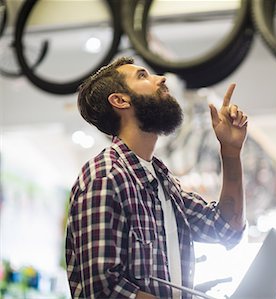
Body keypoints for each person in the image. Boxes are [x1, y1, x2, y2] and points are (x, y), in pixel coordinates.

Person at [65, 56, 248, 299]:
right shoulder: (104, 176)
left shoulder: (162, 181)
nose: (160, 79)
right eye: (143, 76)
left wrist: (231, 152)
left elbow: (225, 229)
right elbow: (105, 290)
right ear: (120, 100)